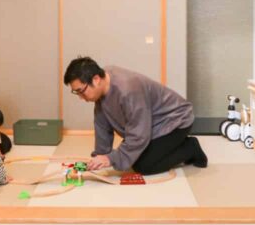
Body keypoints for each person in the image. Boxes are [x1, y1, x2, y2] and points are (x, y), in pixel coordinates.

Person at [64, 56, 207, 175]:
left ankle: (190, 148)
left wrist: (110, 159)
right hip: (149, 125)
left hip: (175, 120)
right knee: (130, 156)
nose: (80, 97)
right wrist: (100, 156)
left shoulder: (128, 89)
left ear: (95, 79)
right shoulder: (103, 82)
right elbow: (102, 123)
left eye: (81, 91)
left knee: (143, 166)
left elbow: (139, 135)